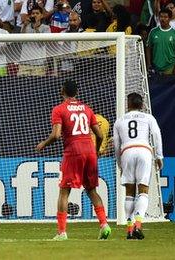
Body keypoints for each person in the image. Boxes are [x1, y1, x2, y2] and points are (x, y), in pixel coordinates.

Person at [36, 80, 111, 241]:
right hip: (90, 151)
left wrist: (43, 143)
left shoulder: (59, 109)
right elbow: (99, 135)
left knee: (64, 191)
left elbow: (56, 135)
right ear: (77, 92)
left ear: (62, 90)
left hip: (73, 152)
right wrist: (96, 152)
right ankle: (104, 224)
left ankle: (62, 232)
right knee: (91, 191)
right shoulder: (87, 109)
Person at [113, 92, 163, 240]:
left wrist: (120, 162)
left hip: (127, 151)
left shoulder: (120, 121)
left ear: (128, 105)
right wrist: (159, 156)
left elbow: (116, 144)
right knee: (143, 190)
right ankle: (138, 225)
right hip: (144, 151)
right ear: (142, 105)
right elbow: (156, 134)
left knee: (129, 192)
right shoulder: (148, 118)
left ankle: (129, 229)